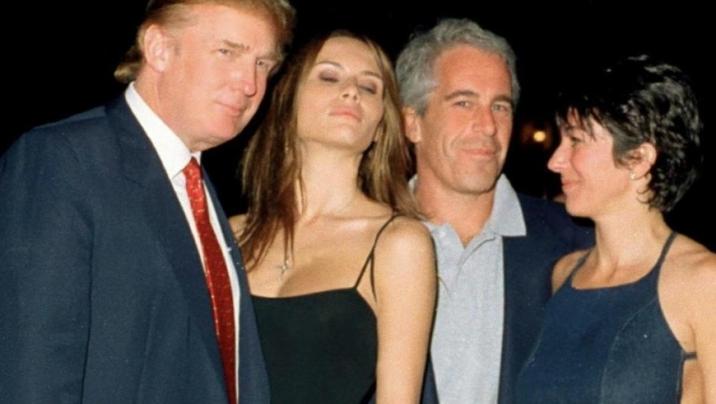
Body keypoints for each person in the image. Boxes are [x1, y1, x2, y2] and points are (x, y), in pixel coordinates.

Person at [0, 0, 294, 403]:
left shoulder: (197, 189)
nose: (249, 84)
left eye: (263, 64)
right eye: (227, 52)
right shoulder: (65, 161)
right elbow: (31, 371)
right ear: (159, 48)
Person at [230, 31, 437, 403]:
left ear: (380, 127)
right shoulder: (230, 234)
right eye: (329, 77)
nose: (352, 92)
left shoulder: (399, 243)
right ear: (288, 100)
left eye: (369, 87)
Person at [395, 18, 593, 404]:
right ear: (413, 122)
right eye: (464, 102)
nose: (487, 125)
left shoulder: (576, 246)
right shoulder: (363, 244)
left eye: (500, 106)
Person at [516, 55, 715, 403]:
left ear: (639, 158)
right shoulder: (562, 275)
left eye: (576, 141)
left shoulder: (702, 281)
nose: (555, 161)